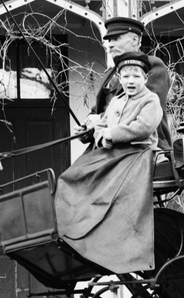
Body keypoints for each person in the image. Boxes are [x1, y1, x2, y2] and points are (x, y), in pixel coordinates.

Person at [55, 52, 164, 274]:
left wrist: (111, 135)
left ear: (145, 78)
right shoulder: (116, 101)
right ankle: (72, 230)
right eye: (126, 76)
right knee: (72, 176)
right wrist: (86, 131)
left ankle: (91, 233)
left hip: (137, 155)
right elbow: (102, 124)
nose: (131, 81)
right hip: (113, 154)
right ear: (120, 79)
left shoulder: (150, 100)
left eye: (136, 76)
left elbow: (143, 127)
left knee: (95, 183)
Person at [93, 16, 173, 155]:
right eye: (109, 40)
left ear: (135, 40)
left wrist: (100, 119)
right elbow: (97, 111)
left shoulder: (151, 65)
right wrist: (87, 127)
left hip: (142, 147)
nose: (110, 45)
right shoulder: (111, 73)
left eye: (116, 38)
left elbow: (143, 112)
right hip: (107, 147)